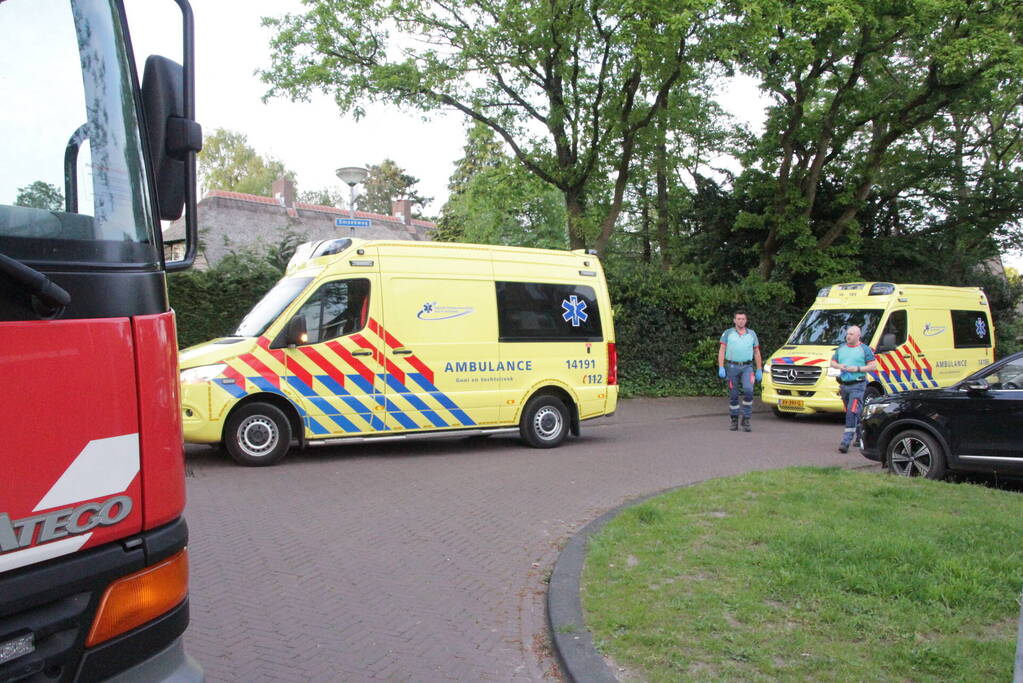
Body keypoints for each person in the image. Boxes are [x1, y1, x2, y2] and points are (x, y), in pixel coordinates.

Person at [830, 325, 877, 453]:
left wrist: (857, 369)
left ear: (858, 336)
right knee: (854, 412)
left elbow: (873, 366)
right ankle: (861, 435)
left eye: (851, 334)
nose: (848, 336)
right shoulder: (841, 348)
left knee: (852, 411)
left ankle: (845, 441)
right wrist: (840, 365)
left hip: (858, 385)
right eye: (847, 334)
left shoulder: (864, 349)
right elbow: (832, 362)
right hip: (844, 385)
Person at [717, 310, 763, 432]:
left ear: (746, 320)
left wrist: (759, 369)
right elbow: (722, 350)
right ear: (734, 320)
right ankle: (734, 419)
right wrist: (721, 366)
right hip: (732, 367)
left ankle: (746, 419)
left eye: (743, 319)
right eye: (738, 318)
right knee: (733, 394)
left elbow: (757, 352)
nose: (741, 321)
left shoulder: (752, 334)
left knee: (749, 390)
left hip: (747, 367)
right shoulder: (728, 333)